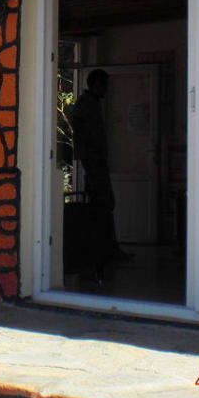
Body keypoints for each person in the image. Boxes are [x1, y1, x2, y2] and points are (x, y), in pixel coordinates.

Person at [71, 69, 132, 272]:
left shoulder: (92, 104)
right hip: (93, 164)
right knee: (101, 205)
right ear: (95, 85)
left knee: (106, 204)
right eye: (103, 85)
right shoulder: (85, 105)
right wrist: (89, 156)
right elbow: (80, 131)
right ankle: (103, 250)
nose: (106, 89)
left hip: (97, 162)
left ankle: (109, 248)